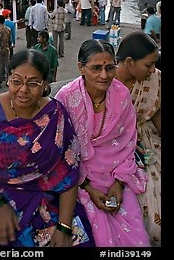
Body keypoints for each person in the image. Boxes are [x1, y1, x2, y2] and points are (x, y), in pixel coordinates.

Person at [0, 49, 95, 248]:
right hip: (2, 200)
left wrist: (64, 226)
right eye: (17, 81)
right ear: (8, 80)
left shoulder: (56, 115)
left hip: (51, 200)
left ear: (45, 84)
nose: (23, 90)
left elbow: (68, 172)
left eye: (33, 83)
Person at [54, 39, 150, 247]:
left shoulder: (121, 94)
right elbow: (62, 151)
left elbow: (127, 141)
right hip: (79, 177)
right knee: (99, 236)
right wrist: (87, 187)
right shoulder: (66, 98)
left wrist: (119, 182)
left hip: (118, 171)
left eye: (109, 67)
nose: (104, 75)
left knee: (137, 237)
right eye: (96, 68)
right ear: (81, 67)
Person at [115, 32, 161, 247]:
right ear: (130, 62)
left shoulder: (155, 80)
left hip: (149, 142)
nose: (153, 70)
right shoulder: (106, 82)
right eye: (149, 65)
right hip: (116, 146)